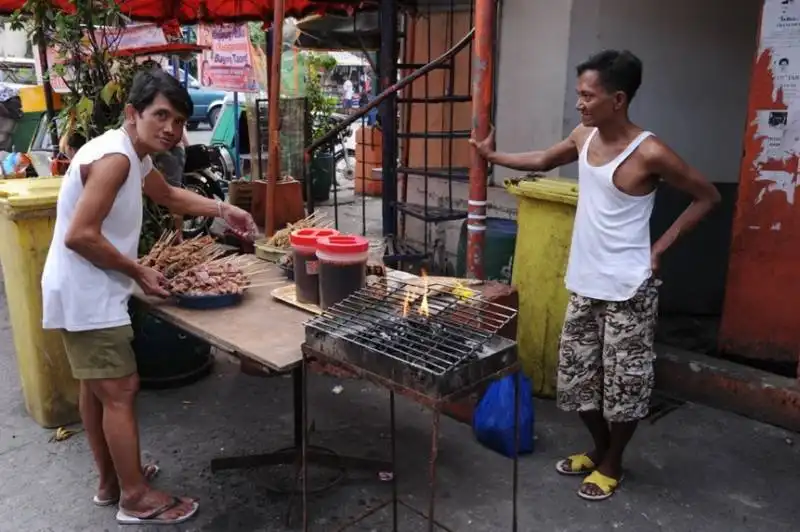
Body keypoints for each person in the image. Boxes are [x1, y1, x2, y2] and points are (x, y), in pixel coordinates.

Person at [470, 49, 720, 501]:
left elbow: (707, 197)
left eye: (589, 96)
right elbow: (545, 159)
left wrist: (659, 249)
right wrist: (492, 155)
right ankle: (600, 448)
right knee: (578, 380)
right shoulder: (584, 136)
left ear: (618, 99)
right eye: (579, 95)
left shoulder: (651, 152)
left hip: (629, 288)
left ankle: (612, 462)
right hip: (584, 283)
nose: (580, 104)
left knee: (623, 386)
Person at [41, 69, 257, 525]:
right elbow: (81, 235)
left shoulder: (128, 153)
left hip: (82, 288)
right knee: (120, 391)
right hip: (88, 291)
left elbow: (169, 196)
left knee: (97, 390)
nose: (171, 129)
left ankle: (110, 483)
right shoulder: (117, 159)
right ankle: (134, 498)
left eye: (179, 121)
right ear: (132, 113)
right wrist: (138, 269)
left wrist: (225, 208)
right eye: (161, 116)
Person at [152, 126, 190, 241]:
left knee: (172, 195)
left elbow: (180, 132)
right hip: (169, 152)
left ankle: (178, 237)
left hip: (172, 153)